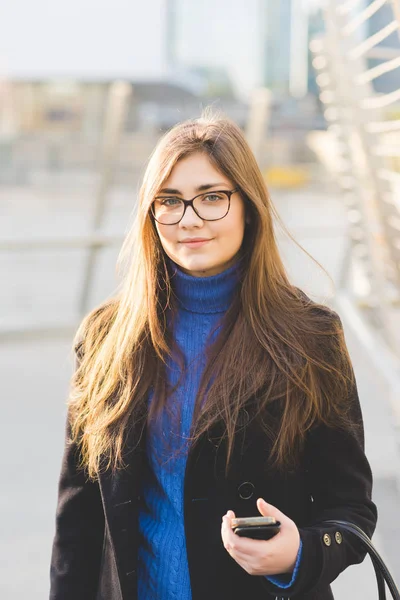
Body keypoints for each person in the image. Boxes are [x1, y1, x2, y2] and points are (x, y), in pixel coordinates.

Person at [50, 110, 377, 600]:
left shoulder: (311, 336)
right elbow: (77, 519)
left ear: (249, 206)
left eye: (211, 198)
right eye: (170, 201)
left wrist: (300, 552)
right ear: (150, 212)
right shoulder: (106, 337)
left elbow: (350, 507)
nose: (189, 220)